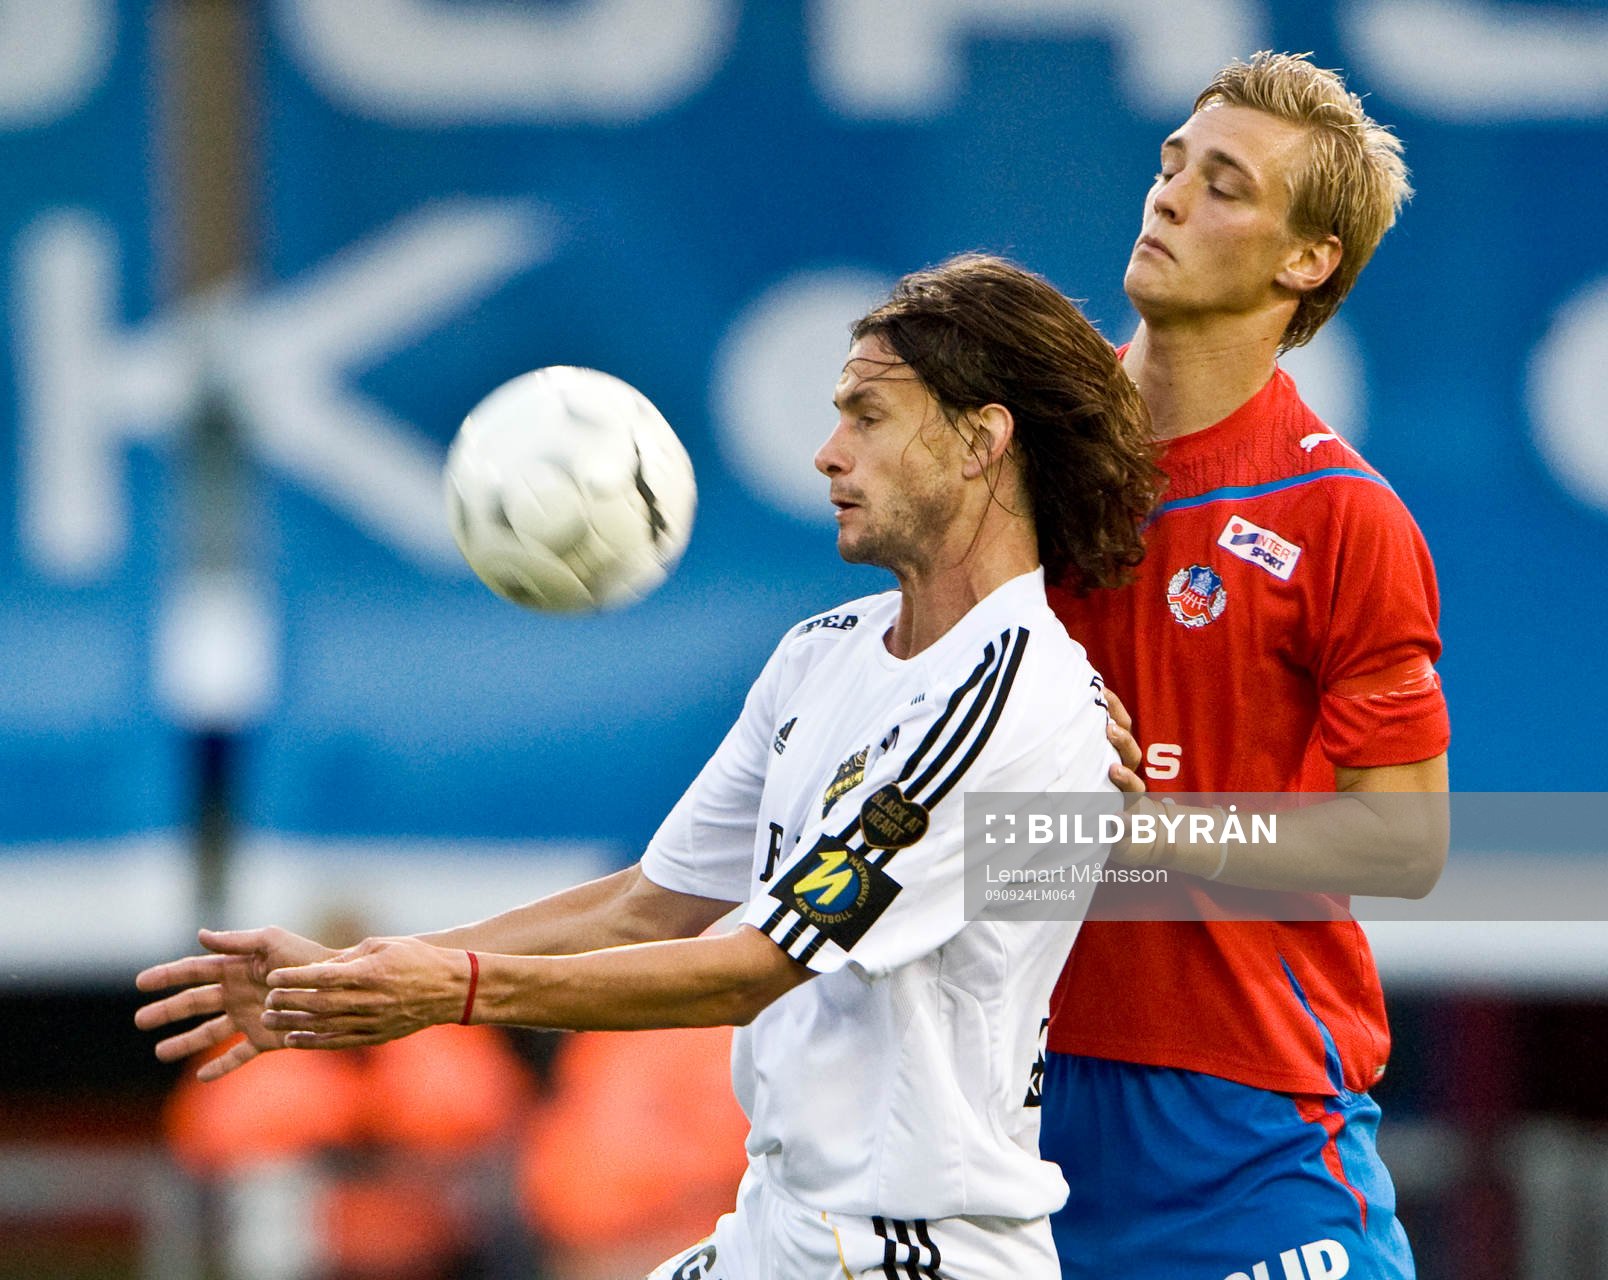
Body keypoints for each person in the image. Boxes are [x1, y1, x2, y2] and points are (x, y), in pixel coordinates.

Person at [137, 253, 1162, 1278]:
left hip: (904, 1250)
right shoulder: (823, 652)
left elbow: (756, 962)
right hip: (781, 1229)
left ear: (983, 440)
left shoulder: (1013, 699)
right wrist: (357, 973)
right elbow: (649, 904)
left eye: (867, 415)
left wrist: (450, 989)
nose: (826, 453)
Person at [1040, 52, 1451, 1280]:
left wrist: (1150, 833)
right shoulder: (1013, 466)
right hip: (1000, 1110)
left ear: (1306, 258)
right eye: (1172, 166)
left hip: (1241, 1129)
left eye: (1224, 185)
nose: (1167, 197)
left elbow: (1401, 846)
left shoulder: (1342, 516)